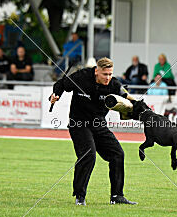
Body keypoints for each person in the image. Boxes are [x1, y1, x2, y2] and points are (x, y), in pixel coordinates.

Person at [50, 57, 137, 206]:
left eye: (110, 74)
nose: (108, 78)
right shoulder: (81, 77)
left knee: (117, 154)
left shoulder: (114, 83)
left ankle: (117, 196)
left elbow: (126, 96)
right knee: (88, 155)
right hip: (79, 123)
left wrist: (140, 106)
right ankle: (80, 196)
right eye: (105, 74)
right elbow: (61, 84)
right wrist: (55, 95)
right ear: (97, 71)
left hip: (98, 124)